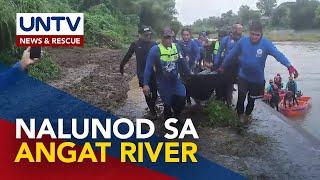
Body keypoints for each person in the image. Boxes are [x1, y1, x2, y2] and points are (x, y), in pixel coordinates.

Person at [219, 20, 299, 123]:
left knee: (251, 100)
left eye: (257, 35)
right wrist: (223, 65)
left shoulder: (266, 43)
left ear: (261, 34)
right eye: (252, 34)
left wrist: (289, 66)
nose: (254, 37)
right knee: (241, 98)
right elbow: (231, 54)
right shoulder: (242, 42)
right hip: (243, 76)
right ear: (249, 33)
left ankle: (247, 115)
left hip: (257, 80)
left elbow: (278, 54)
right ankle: (239, 116)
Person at [143, 27, 190, 120]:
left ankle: (176, 116)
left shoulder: (176, 47)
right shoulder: (155, 50)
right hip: (163, 83)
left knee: (182, 99)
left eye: (170, 37)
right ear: (161, 38)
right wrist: (145, 84)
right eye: (166, 37)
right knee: (168, 104)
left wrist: (190, 74)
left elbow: (182, 62)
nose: (169, 40)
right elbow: (148, 68)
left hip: (176, 80)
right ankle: (167, 122)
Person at [120, 25, 158, 117]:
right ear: (140, 35)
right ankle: (153, 112)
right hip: (142, 73)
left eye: (149, 35)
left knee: (155, 93)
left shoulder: (154, 44)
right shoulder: (135, 44)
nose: (148, 37)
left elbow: (160, 57)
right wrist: (121, 65)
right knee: (147, 92)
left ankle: (152, 105)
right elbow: (128, 55)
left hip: (154, 73)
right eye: (146, 35)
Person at [214, 24, 243, 106]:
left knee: (239, 84)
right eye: (238, 30)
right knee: (228, 83)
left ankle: (235, 103)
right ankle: (227, 101)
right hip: (227, 65)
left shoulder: (243, 39)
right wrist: (216, 63)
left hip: (239, 65)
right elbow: (219, 51)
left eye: (241, 30)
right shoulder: (226, 39)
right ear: (233, 30)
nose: (240, 32)